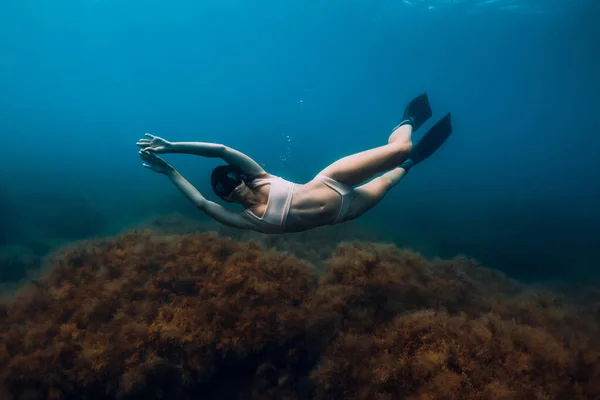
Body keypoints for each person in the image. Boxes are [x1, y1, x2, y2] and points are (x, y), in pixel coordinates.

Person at [137, 93, 452, 234]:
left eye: (232, 181)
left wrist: (172, 147)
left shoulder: (259, 177)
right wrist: (168, 171)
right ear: (224, 198)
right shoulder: (247, 220)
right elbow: (201, 204)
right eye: (224, 191)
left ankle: (408, 118)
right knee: (399, 172)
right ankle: (413, 160)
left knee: (400, 148)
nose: (231, 190)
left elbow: (221, 149)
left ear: (241, 178)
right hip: (346, 210)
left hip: (331, 181)